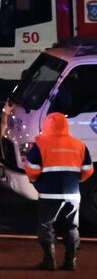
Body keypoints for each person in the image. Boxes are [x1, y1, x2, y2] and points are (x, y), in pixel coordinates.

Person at [23, 111, 93, 270]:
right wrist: (77, 180)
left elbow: (31, 168)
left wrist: (36, 181)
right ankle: (70, 261)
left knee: (46, 225)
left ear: (47, 126)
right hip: (73, 194)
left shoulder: (41, 145)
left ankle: (49, 261)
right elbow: (88, 169)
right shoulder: (79, 145)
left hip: (49, 193)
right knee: (70, 226)